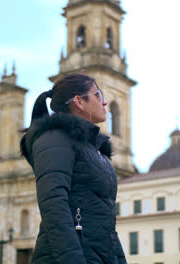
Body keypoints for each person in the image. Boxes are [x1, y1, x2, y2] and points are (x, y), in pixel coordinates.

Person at [20, 73, 126, 264]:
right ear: (78, 101)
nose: (104, 103)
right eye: (98, 95)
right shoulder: (54, 137)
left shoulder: (95, 150)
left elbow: (107, 221)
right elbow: (53, 204)